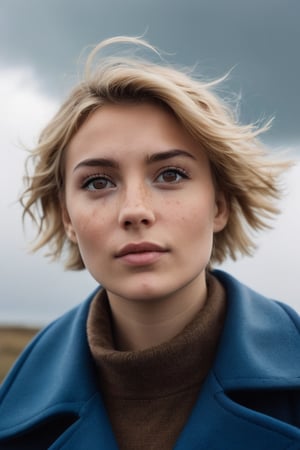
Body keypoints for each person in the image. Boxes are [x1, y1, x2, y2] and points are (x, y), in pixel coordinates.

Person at [0, 36, 299, 450]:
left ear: (219, 204)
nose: (134, 210)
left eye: (171, 175)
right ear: (67, 217)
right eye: (98, 182)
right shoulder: (12, 413)